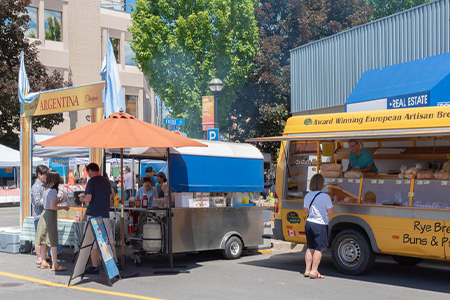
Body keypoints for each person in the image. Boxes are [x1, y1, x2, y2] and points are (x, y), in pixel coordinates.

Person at [79, 163, 119, 274]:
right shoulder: (106, 181)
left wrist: (82, 198)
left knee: (92, 242)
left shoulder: (91, 182)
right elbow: (111, 196)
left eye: (87, 172)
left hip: (93, 214)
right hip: (105, 214)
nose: (87, 174)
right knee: (109, 239)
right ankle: (115, 262)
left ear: (90, 170)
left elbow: (88, 198)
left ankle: (95, 266)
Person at [35, 170, 70, 271]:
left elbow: (48, 203)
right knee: (53, 240)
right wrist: (64, 207)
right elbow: (53, 207)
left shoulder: (46, 188)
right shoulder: (53, 190)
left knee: (43, 239)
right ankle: (55, 264)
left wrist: (59, 200)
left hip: (44, 214)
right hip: (50, 215)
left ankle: (43, 261)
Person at [303, 174, 335, 279]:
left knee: (310, 247)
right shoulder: (325, 196)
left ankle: (307, 270)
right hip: (320, 224)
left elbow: (305, 210)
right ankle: (314, 270)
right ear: (321, 184)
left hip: (309, 223)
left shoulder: (308, 195)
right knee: (319, 248)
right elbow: (331, 212)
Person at [31, 165, 49, 265]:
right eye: (45, 174)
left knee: (45, 239)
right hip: (39, 215)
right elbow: (37, 202)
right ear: (39, 174)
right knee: (39, 239)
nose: (46, 176)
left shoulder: (44, 184)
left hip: (45, 215)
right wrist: (47, 201)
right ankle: (39, 258)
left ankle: (44, 256)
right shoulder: (36, 186)